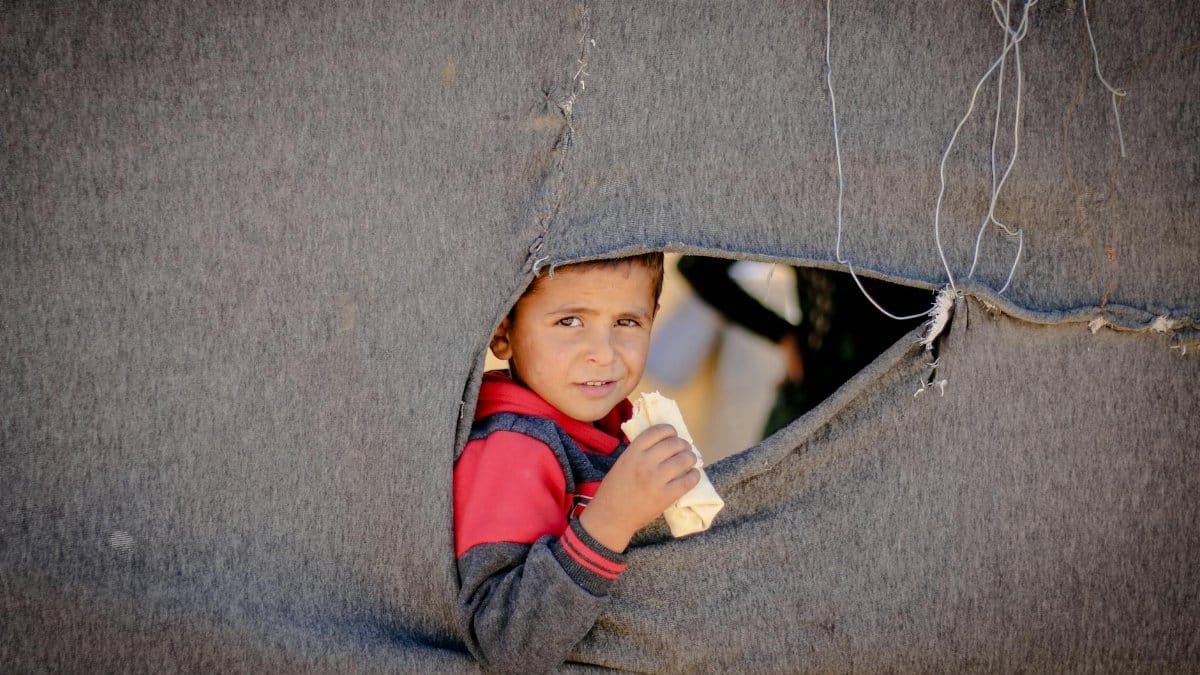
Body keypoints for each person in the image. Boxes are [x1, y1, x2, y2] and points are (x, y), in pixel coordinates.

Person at [454, 252, 702, 673]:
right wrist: (612, 519)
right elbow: (507, 644)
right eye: (570, 322)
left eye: (627, 322)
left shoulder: (616, 424)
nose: (603, 355)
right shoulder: (513, 449)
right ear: (502, 331)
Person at [676, 256, 932, 438]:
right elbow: (697, 267)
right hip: (817, 392)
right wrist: (783, 334)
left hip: (914, 397)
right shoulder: (805, 194)